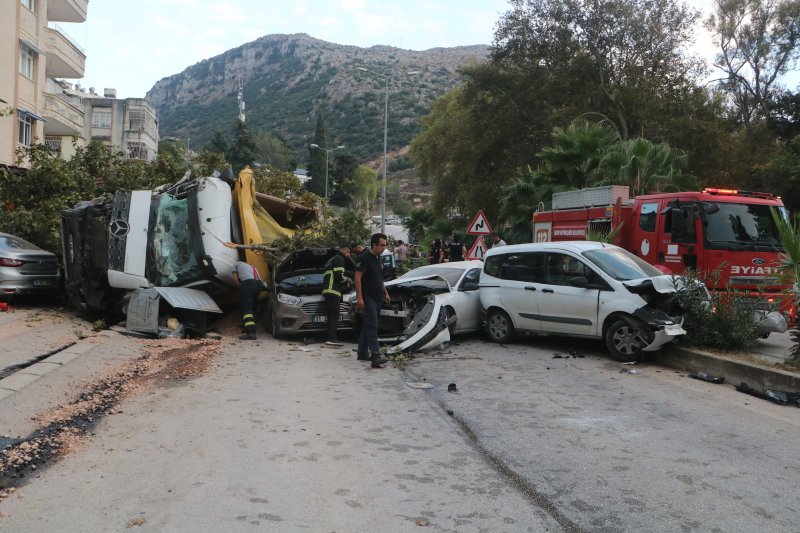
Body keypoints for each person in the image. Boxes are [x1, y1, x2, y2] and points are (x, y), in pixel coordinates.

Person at [354, 233, 391, 368]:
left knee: (367, 325)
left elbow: (379, 279)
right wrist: (360, 298)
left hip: (378, 297)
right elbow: (357, 278)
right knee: (373, 326)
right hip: (367, 297)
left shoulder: (378, 259)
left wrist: (385, 293)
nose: (383, 248)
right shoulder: (364, 258)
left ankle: (362, 352)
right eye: (381, 245)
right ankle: (375, 355)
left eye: (384, 245)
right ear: (374, 245)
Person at [322, 244, 352, 346]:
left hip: (327, 290)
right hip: (333, 290)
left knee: (331, 315)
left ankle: (329, 337)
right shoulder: (340, 259)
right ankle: (331, 338)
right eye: (348, 252)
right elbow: (339, 276)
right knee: (334, 315)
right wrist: (347, 281)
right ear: (343, 250)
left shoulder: (331, 260)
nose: (349, 254)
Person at [232, 258, 265, 340]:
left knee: (247, 309)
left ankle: (251, 333)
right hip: (259, 284)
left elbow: (235, 279)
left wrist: (242, 288)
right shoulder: (251, 266)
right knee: (253, 305)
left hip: (248, 283)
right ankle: (247, 326)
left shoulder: (236, 264)